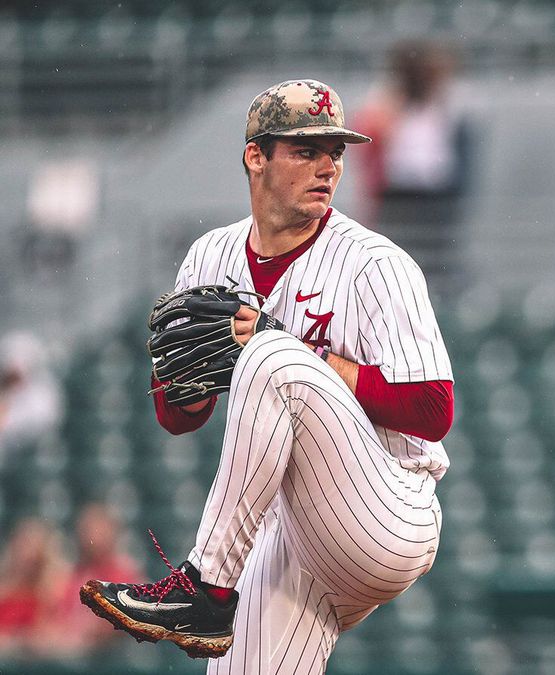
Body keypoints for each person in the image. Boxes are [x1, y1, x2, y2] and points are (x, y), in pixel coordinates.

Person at [79, 80, 454, 675]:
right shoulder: (209, 257)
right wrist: (182, 382)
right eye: (306, 151)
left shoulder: (375, 262)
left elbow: (434, 410)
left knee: (270, 356)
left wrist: (291, 346)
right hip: (293, 532)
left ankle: (205, 590)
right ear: (256, 156)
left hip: (386, 510)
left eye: (335, 152)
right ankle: (211, 595)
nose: (327, 166)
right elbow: (178, 419)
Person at [356, 41, 471, 296]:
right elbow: (374, 134)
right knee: (394, 255)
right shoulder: (387, 98)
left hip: (436, 191)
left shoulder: (446, 99)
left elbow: (455, 146)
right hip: (397, 192)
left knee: (435, 256)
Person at [57, 503, 142, 656]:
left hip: (107, 656)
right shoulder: (75, 574)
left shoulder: (122, 573)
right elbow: (59, 614)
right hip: (69, 652)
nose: (92, 536)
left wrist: (83, 633)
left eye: (99, 529)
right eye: (87, 529)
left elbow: (120, 618)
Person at [0, 518, 69, 657]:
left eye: (32, 547)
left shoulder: (52, 589)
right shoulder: (5, 587)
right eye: (22, 545)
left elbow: (52, 633)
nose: (26, 554)